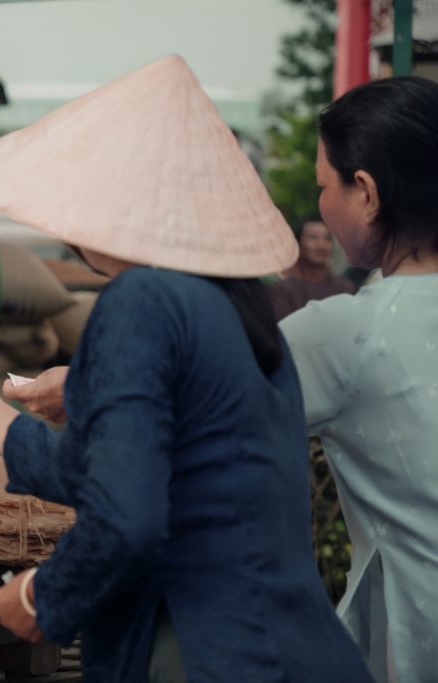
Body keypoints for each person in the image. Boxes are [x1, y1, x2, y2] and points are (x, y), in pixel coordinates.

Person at [0, 55, 371, 682]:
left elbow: (126, 515)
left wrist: (41, 597)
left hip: (207, 649)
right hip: (291, 645)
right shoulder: (236, 306)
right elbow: (124, 471)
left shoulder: (141, 300)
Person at [279, 76, 438, 683]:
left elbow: (202, 410)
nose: (321, 205)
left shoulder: (348, 330)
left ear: (365, 193)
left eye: (324, 186)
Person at [269, 219, 355, 320]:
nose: (321, 244)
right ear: (298, 243)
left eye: (327, 238)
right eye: (313, 237)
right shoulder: (282, 290)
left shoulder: (343, 288)